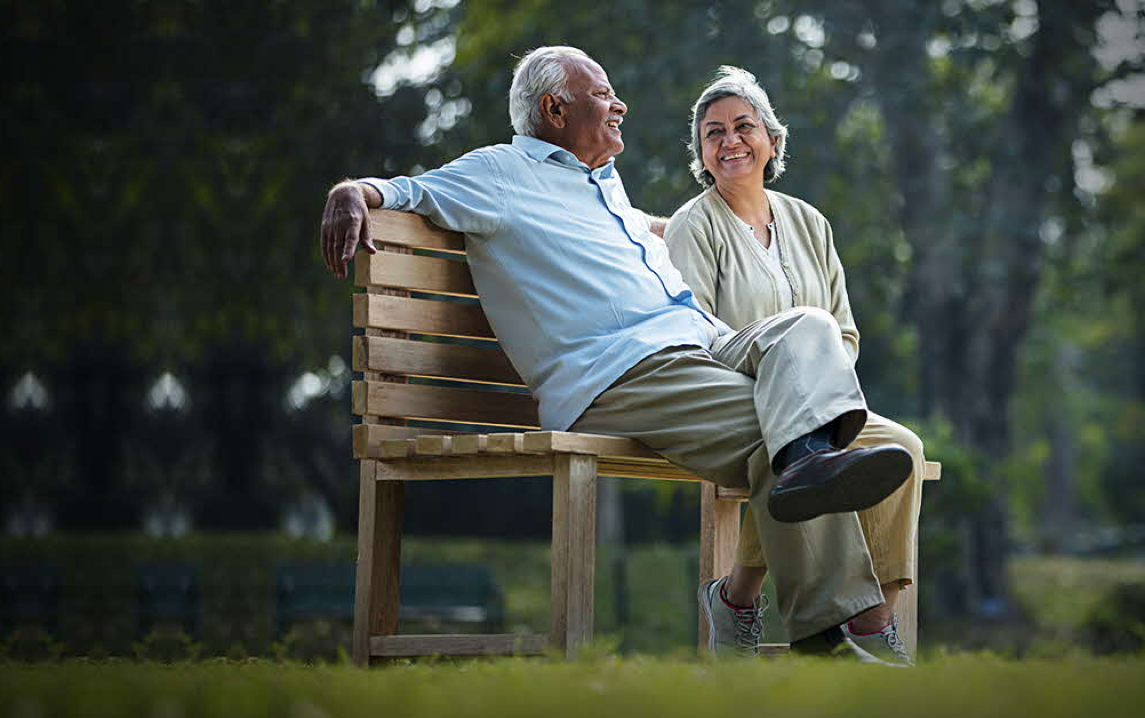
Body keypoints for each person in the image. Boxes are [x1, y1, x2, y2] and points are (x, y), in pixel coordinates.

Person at [319, 46, 911, 663]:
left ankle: (809, 473)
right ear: (553, 108)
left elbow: (643, 233)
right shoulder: (500, 173)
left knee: (807, 329)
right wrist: (352, 191)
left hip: (699, 343)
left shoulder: (600, 184)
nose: (618, 104)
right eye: (602, 93)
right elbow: (411, 190)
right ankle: (842, 632)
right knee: (779, 435)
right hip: (620, 372)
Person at [664, 67, 926, 665]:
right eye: (712, 133)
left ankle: (867, 618)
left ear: (772, 141)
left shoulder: (811, 222)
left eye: (742, 126)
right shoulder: (694, 225)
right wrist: (782, 385)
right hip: (734, 394)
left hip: (816, 406)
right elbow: (693, 332)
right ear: (702, 154)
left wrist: (813, 393)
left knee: (904, 450)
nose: (729, 140)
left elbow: (845, 332)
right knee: (778, 449)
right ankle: (822, 628)